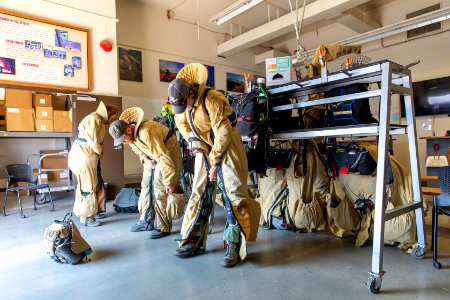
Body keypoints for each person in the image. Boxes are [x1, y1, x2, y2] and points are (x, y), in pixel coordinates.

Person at [168, 63, 260, 268]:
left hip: (228, 143)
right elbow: (183, 127)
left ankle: (234, 243)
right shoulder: (182, 105)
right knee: (199, 191)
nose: (185, 108)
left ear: (191, 92)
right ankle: (194, 239)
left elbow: (224, 132)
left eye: (187, 103)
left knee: (233, 193)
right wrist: (198, 148)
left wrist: (215, 160)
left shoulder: (212, 99)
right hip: (204, 144)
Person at [109, 107, 185, 239]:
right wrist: (146, 159)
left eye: (124, 139)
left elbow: (163, 157)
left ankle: (163, 227)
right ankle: (146, 220)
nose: (124, 143)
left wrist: (169, 181)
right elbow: (137, 149)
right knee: (145, 186)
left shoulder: (146, 132)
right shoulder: (131, 138)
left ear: (128, 129)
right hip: (152, 155)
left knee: (160, 189)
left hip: (168, 152)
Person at [68, 102, 119, 227]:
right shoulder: (93, 119)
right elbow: (93, 141)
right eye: (114, 117)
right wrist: (100, 149)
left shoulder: (98, 120)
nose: (114, 119)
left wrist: (99, 150)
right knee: (87, 186)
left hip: (89, 155)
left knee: (96, 182)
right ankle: (86, 217)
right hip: (83, 156)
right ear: (109, 114)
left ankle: (96, 210)